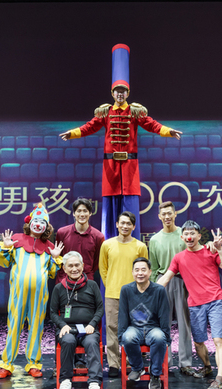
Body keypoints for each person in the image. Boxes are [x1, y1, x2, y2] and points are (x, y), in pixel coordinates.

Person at [59, 44, 182, 241]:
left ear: (128, 93)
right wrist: (72, 133)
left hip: (129, 165)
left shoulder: (135, 111)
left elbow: (151, 124)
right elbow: (90, 126)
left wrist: (168, 131)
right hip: (110, 166)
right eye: (117, 91)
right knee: (110, 205)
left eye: (123, 91)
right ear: (112, 93)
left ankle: (132, 241)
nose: (120, 94)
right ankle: (109, 242)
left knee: (130, 202)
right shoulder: (105, 112)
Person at [157, 221, 222, 389]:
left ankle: (220, 379)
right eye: (186, 234)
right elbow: (166, 278)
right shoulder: (179, 258)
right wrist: (145, 292)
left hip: (215, 300)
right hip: (195, 304)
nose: (189, 237)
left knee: (218, 340)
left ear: (199, 236)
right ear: (182, 237)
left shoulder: (210, 250)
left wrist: (220, 249)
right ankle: (207, 367)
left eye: (193, 233)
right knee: (198, 343)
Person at [0, 203, 64, 379]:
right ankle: (7, 364)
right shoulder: (17, 240)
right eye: (36, 221)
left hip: (39, 296)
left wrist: (55, 258)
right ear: (30, 223)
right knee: (14, 326)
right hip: (18, 294)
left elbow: (52, 273)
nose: (38, 225)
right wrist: (6, 247)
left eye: (42, 222)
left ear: (46, 227)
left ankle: (33, 363)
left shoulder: (49, 247)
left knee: (36, 327)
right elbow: (4, 262)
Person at [50, 251, 104, 389]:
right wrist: (62, 325)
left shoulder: (92, 285)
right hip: (67, 328)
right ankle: (65, 381)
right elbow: (53, 312)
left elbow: (100, 308)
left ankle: (94, 383)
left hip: (88, 328)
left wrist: (92, 324)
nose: (74, 269)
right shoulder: (59, 288)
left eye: (77, 265)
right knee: (68, 341)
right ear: (64, 268)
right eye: (70, 266)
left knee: (92, 342)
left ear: (83, 266)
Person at [98, 211, 148, 378]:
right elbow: (103, 268)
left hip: (135, 295)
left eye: (129, 223)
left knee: (134, 329)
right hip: (112, 293)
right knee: (112, 328)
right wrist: (110, 285)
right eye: (122, 223)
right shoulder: (107, 245)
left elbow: (144, 270)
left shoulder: (140, 246)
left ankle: (132, 362)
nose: (125, 226)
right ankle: (114, 364)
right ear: (117, 225)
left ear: (134, 226)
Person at [148, 201, 195, 376]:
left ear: (175, 214)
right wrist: (153, 288)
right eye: (164, 214)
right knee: (163, 324)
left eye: (170, 213)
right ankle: (164, 362)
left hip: (183, 280)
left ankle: (185, 363)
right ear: (159, 216)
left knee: (184, 322)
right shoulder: (154, 239)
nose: (167, 217)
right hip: (163, 281)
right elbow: (153, 267)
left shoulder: (184, 235)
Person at [118, 257, 171, 389]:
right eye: (137, 270)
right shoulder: (126, 290)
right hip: (134, 328)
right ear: (132, 272)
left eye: (143, 270)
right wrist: (121, 336)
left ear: (150, 272)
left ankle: (155, 374)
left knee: (159, 338)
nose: (140, 273)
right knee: (128, 337)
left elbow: (164, 315)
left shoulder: (159, 290)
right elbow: (122, 315)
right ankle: (137, 368)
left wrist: (166, 336)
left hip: (153, 328)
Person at [55, 198, 105, 283]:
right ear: (74, 213)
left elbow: (97, 262)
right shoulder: (62, 233)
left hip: (87, 281)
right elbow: (59, 257)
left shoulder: (98, 236)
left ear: (90, 213)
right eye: (79, 211)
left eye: (85, 211)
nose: (82, 214)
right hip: (64, 280)